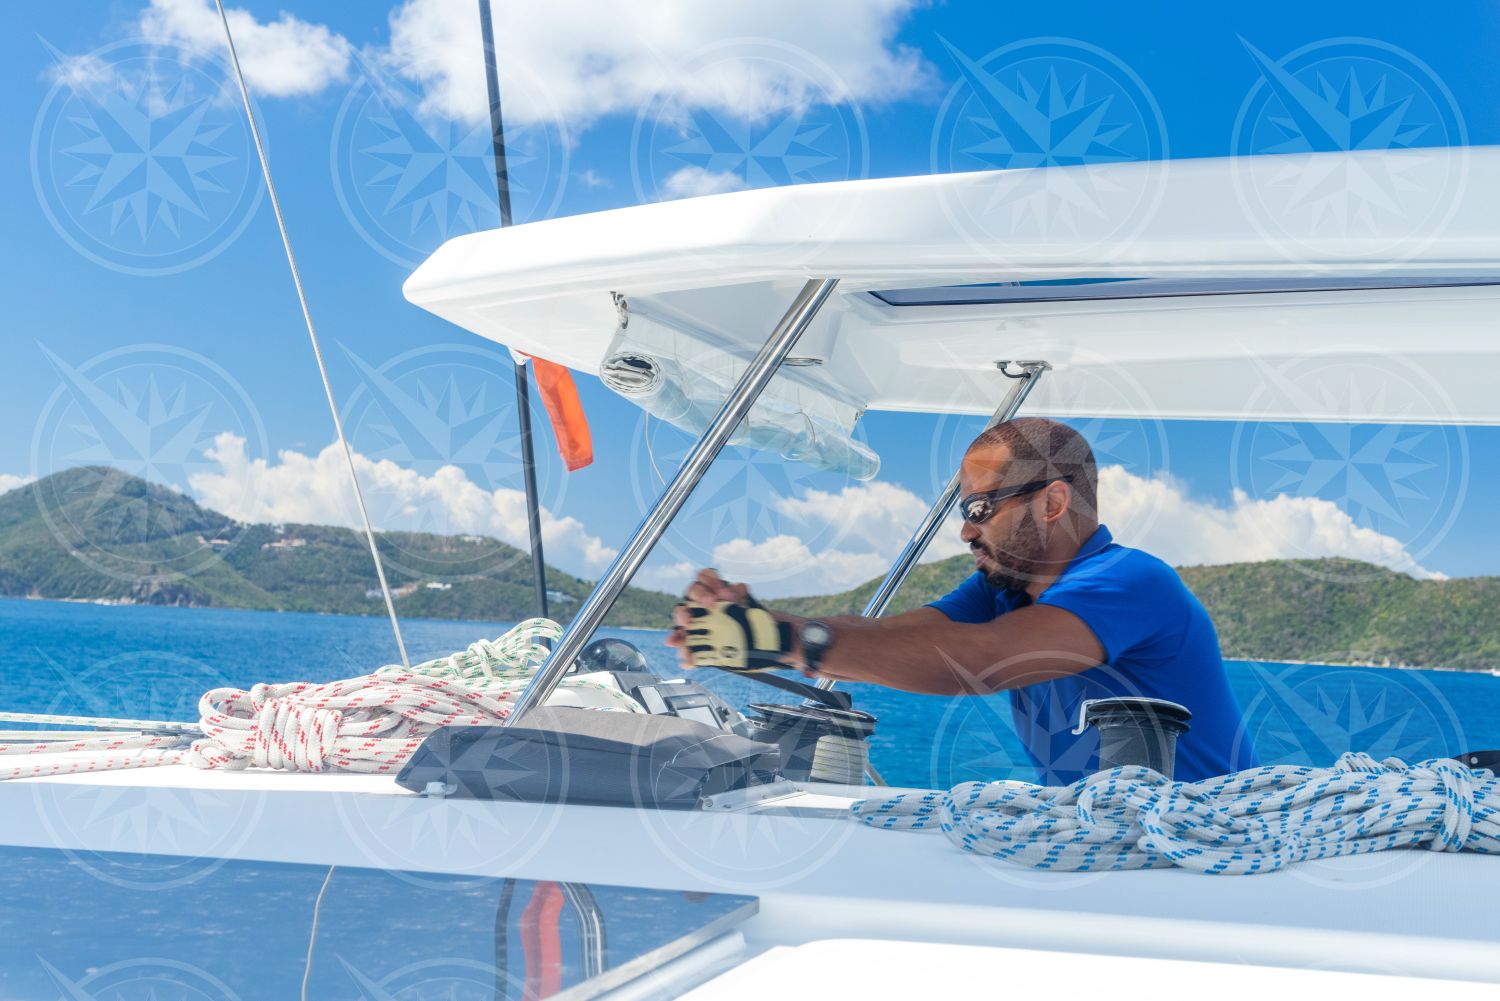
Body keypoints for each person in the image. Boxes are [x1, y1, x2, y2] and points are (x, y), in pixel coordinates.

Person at [667, 417, 1258, 784]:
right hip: (1106, 837)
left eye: (980, 509)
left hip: (1199, 844)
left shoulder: (1130, 580)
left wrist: (787, 642)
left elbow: (985, 662)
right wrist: (761, 628)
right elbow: (894, 637)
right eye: (962, 512)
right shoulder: (1001, 589)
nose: (966, 531)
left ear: (1052, 503)